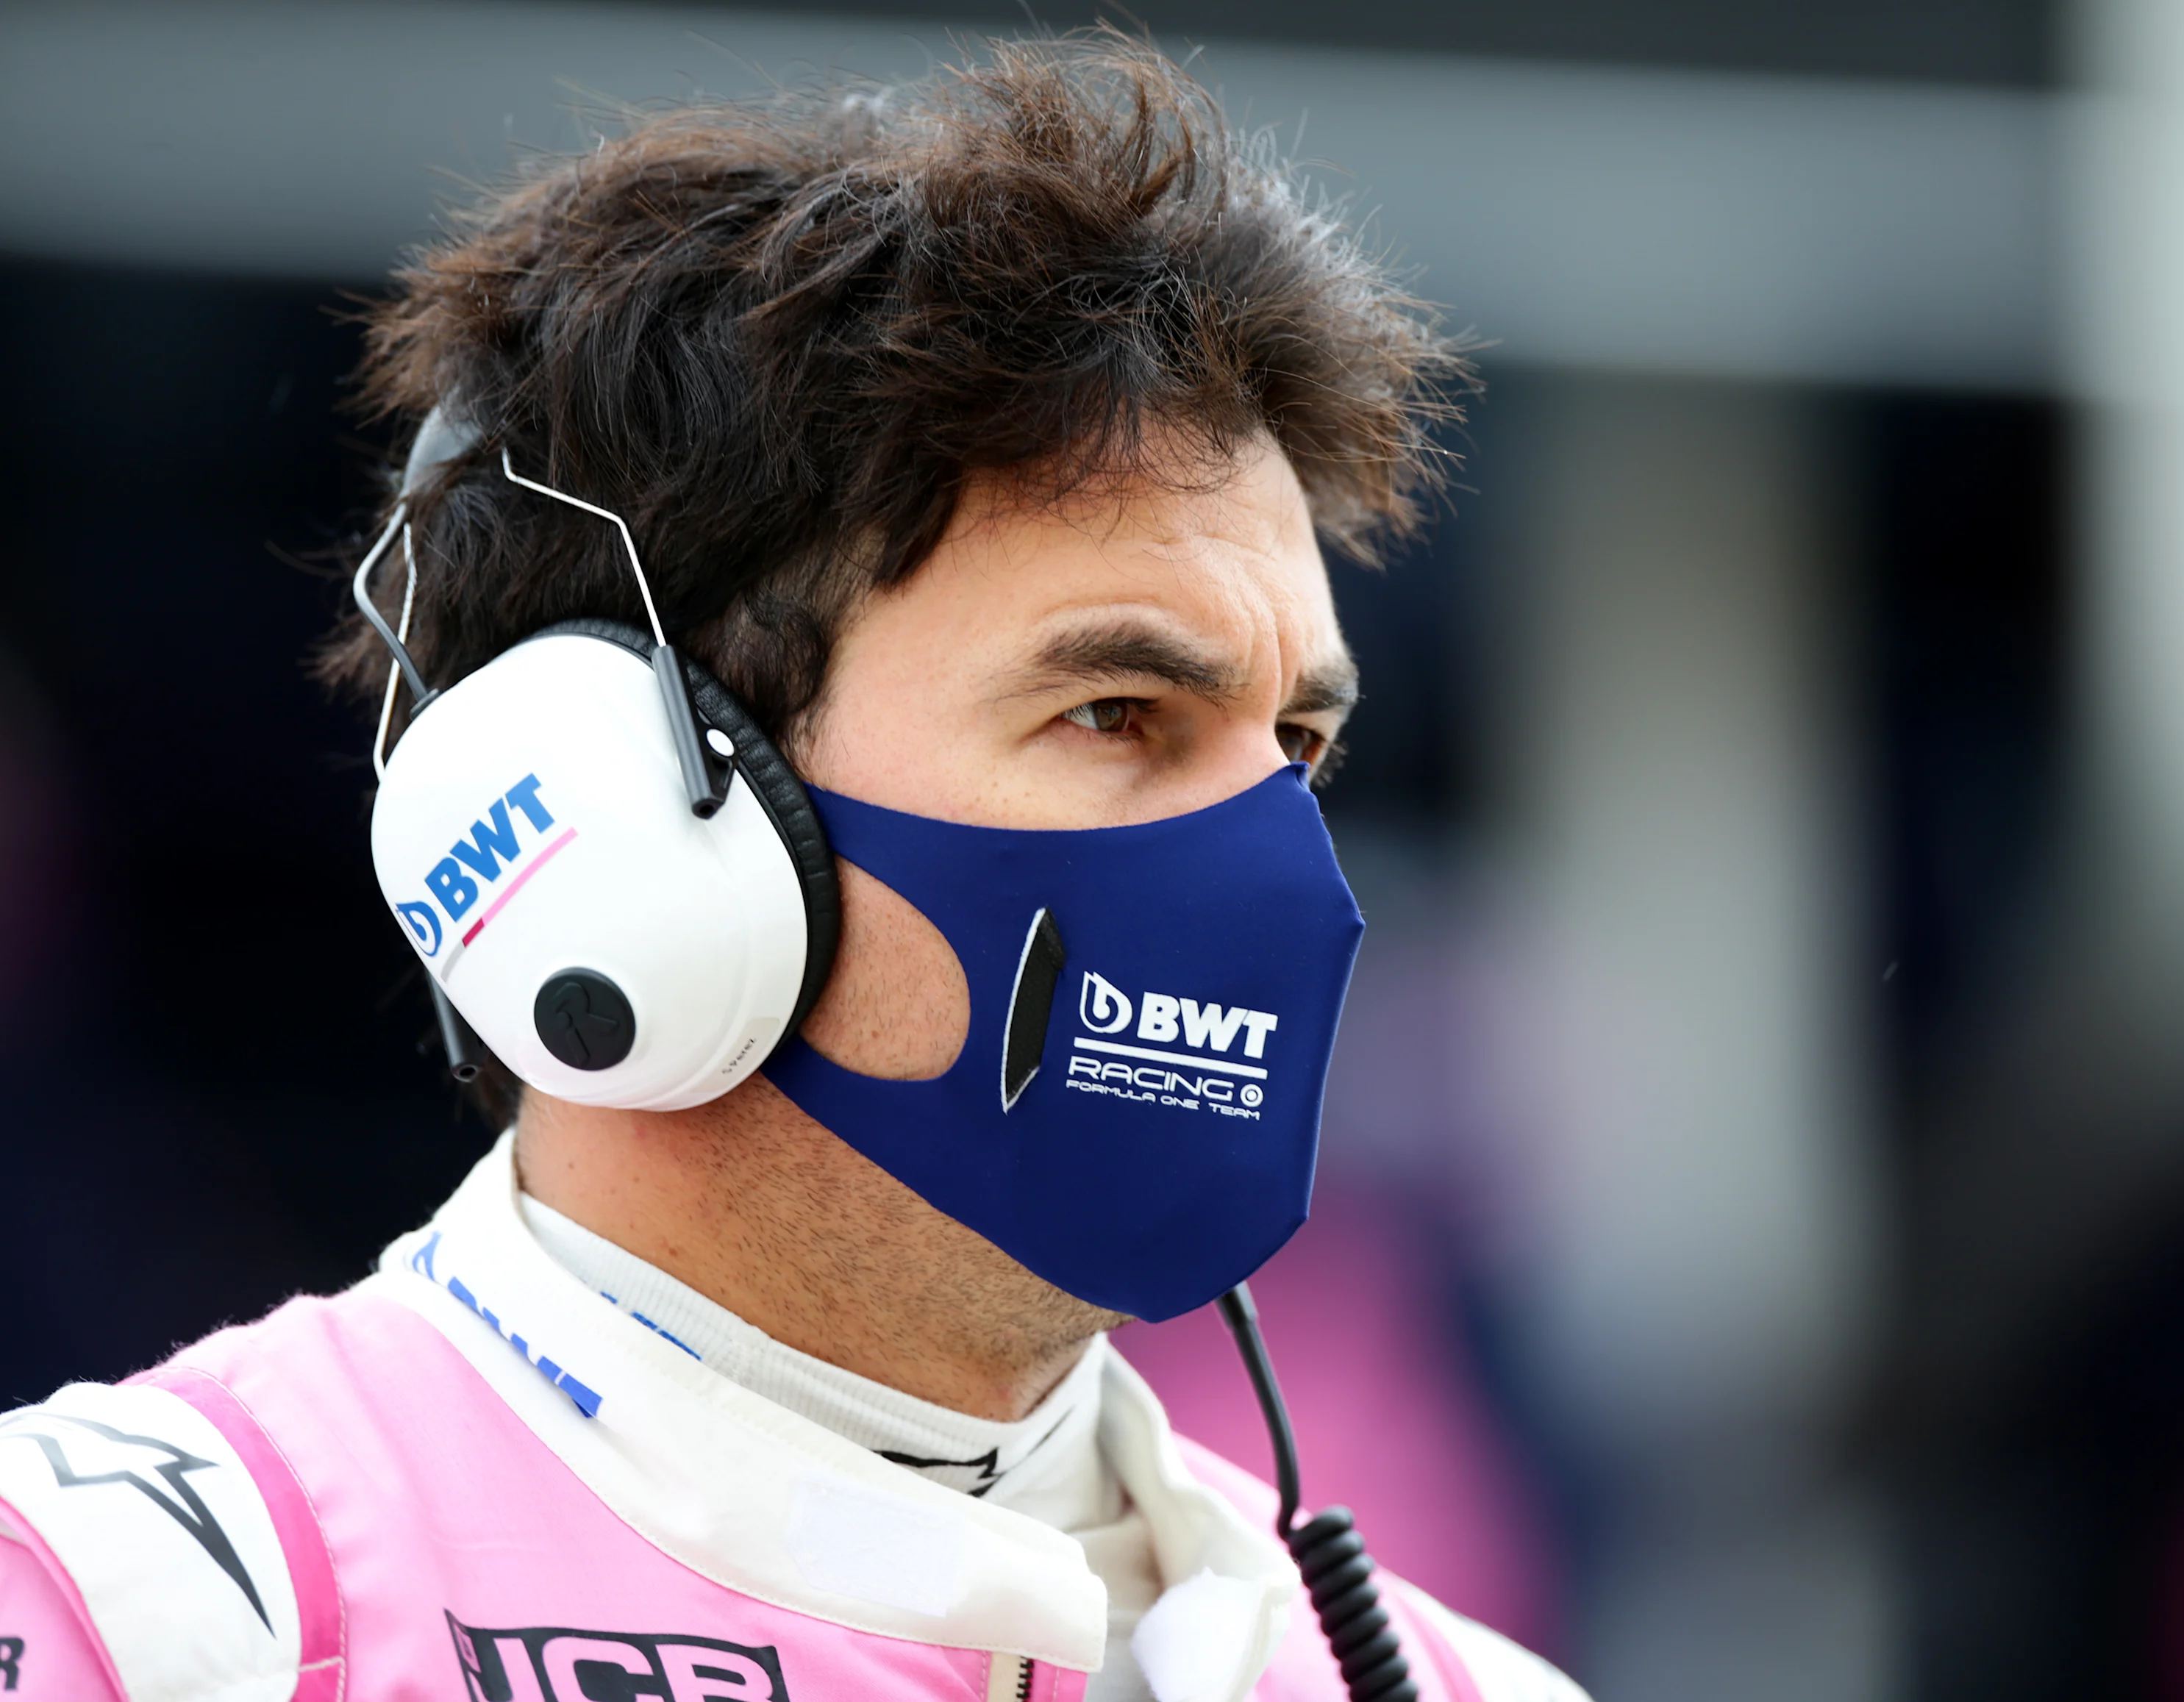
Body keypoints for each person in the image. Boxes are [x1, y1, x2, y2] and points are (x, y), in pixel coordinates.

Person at [0, 35, 1589, 1702]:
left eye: (1297, 750)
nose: (1271, 858)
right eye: (1116, 709)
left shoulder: (1452, 1683)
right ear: (631, 813)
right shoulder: (149, 1608)